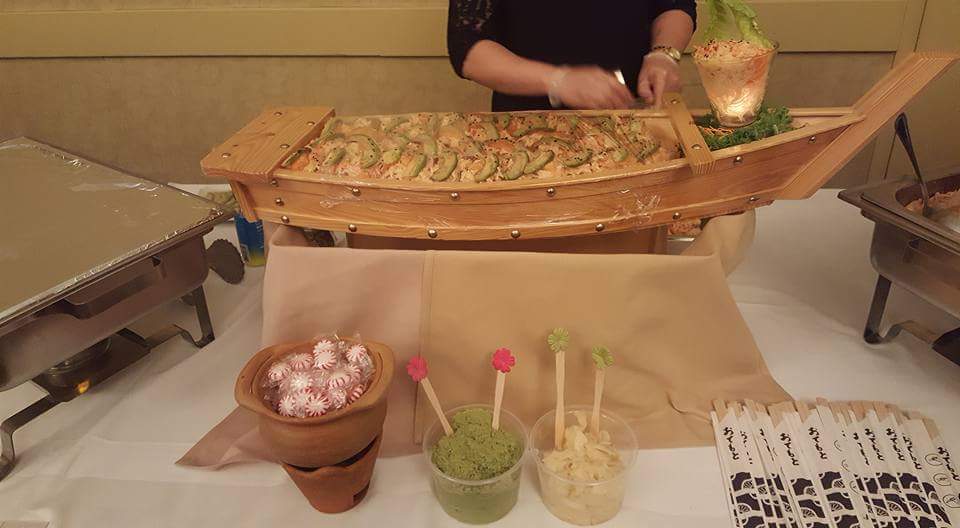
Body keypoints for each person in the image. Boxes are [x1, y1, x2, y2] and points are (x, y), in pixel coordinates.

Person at [447, 1, 696, 112]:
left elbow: (675, 5)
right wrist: (557, 80)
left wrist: (664, 54)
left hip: (634, 113)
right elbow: (467, 45)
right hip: (530, 127)